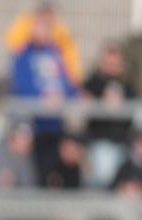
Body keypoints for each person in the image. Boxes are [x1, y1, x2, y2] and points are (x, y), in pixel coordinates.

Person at [9, 6, 77, 185]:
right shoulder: (23, 55)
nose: (44, 30)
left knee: (53, 176)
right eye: (40, 25)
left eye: (48, 26)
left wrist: (64, 95)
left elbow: (69, 85)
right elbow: (22, 87)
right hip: (33, 126)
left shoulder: (56, 53)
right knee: (33, 176)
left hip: (55, 126)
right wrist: (42, 97)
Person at [83, 43, 136, 188]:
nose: (113, 66)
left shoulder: (128, 86)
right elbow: (85, 102)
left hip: (123, 143)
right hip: (100, 142)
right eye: (109, 62)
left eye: (116, 63)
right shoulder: (93, 82)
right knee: (103, 183)